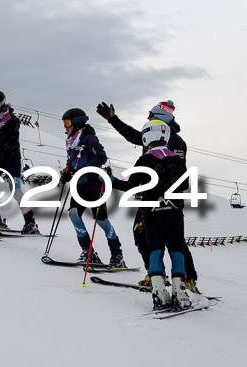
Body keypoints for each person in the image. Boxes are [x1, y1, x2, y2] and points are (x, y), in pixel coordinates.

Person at [96, 99, 199, 292]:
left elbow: (177, 175)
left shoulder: (175, 142)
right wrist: (113, 119)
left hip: (168, 201)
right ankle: (156, 274)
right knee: (142, 234)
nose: (147, 117)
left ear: (160, 118)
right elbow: (133, 135)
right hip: (149, 199)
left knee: (175, 241)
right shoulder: (152, 135)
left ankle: (189, 279)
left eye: (150, 114)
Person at [111, 120, 191, 310]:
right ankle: (180, 292)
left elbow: (130, 186)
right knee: (176, 250)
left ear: (147, 137)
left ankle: (159, 293)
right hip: (174, 212)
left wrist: (110, 179)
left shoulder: (144, 160)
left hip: (152, 214)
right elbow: (185, 185)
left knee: (156, 250)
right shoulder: (177, 160)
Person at [61, 108, 124, 266]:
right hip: (79, 185)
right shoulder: (71, 141)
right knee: (74, 214)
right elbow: (73, 163)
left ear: (76, 124)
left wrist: (82, 171)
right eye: (64, 123)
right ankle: (88, 252)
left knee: (101, 220)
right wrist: (67, 173)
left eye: (67, 123)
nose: (65, 127)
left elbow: (101, 157)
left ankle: (117, 255)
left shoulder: (89, 138)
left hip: (94, 184)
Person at [0, 90, 39, 234]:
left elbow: (10, 142)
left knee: (14, 190)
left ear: (3, 104)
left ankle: (30, 223)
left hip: (11, 158)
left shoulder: (12, 120)